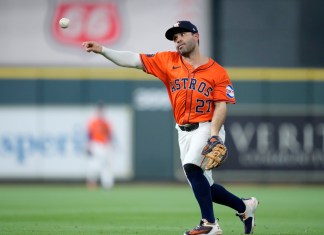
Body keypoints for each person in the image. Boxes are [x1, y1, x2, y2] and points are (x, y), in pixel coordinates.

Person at [82, 21, 258, 234]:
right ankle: (244, 207)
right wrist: (103, 50)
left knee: (192, 168)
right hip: (183, 131)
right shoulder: (168, 61)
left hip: (207, 127)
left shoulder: (217, 72)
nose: (178, 40)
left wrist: (214, 136)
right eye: (175, 38)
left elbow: (221, 106)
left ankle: (209, 224)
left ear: (196, 36)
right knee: (205, 187)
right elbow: (133, 60)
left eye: (182, 34)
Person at [86, 101, 114, 190]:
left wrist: (109, 145)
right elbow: (89, 135)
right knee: (93, 164)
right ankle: (92, 182)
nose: (101, 111)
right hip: (95, 144)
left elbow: (109, 135)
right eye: (99, 109)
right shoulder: (93, 121)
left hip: (104, 145)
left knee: (106, 165)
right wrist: (88, 145)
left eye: (102, 109)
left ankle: (107, 184)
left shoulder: (106, 122)